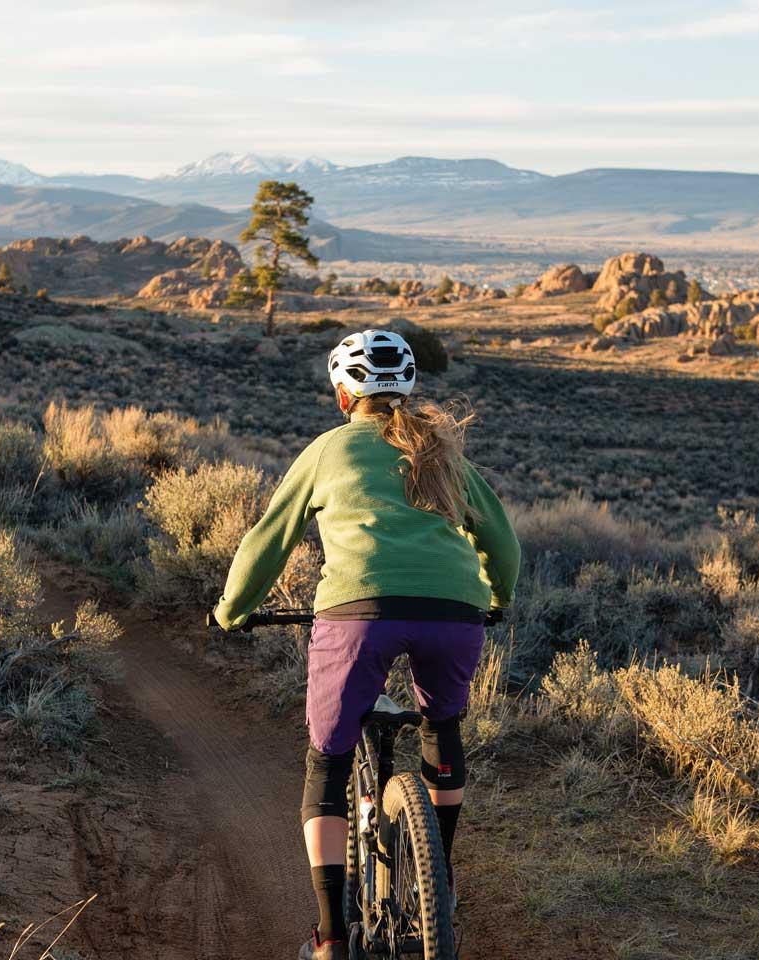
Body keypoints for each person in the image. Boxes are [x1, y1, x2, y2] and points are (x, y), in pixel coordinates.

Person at [211, 329, 520, 960]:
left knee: (327, 760)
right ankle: (442, 878)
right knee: (443, 726)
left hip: (358, 612)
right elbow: (504, 544)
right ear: (407, 389)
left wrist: (231, 612)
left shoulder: (329, 449)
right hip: (453, 611)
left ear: (343, 394)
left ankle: (329, 938)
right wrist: (494, 601)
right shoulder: (443, 451)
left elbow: (269, 539)